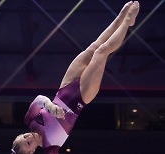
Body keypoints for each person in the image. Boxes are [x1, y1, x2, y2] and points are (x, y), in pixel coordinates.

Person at [11, 1, 140, 154]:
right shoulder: (50, 148)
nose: (29, 137)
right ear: (31, 152)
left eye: (24, 136)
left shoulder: (30, 120)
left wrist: (50, 107)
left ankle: (120, 17)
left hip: (65, 86)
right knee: (102, 52)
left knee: (94, 47)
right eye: (28, 144)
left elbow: (39, 99)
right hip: (81, 98)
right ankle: (127, 23)